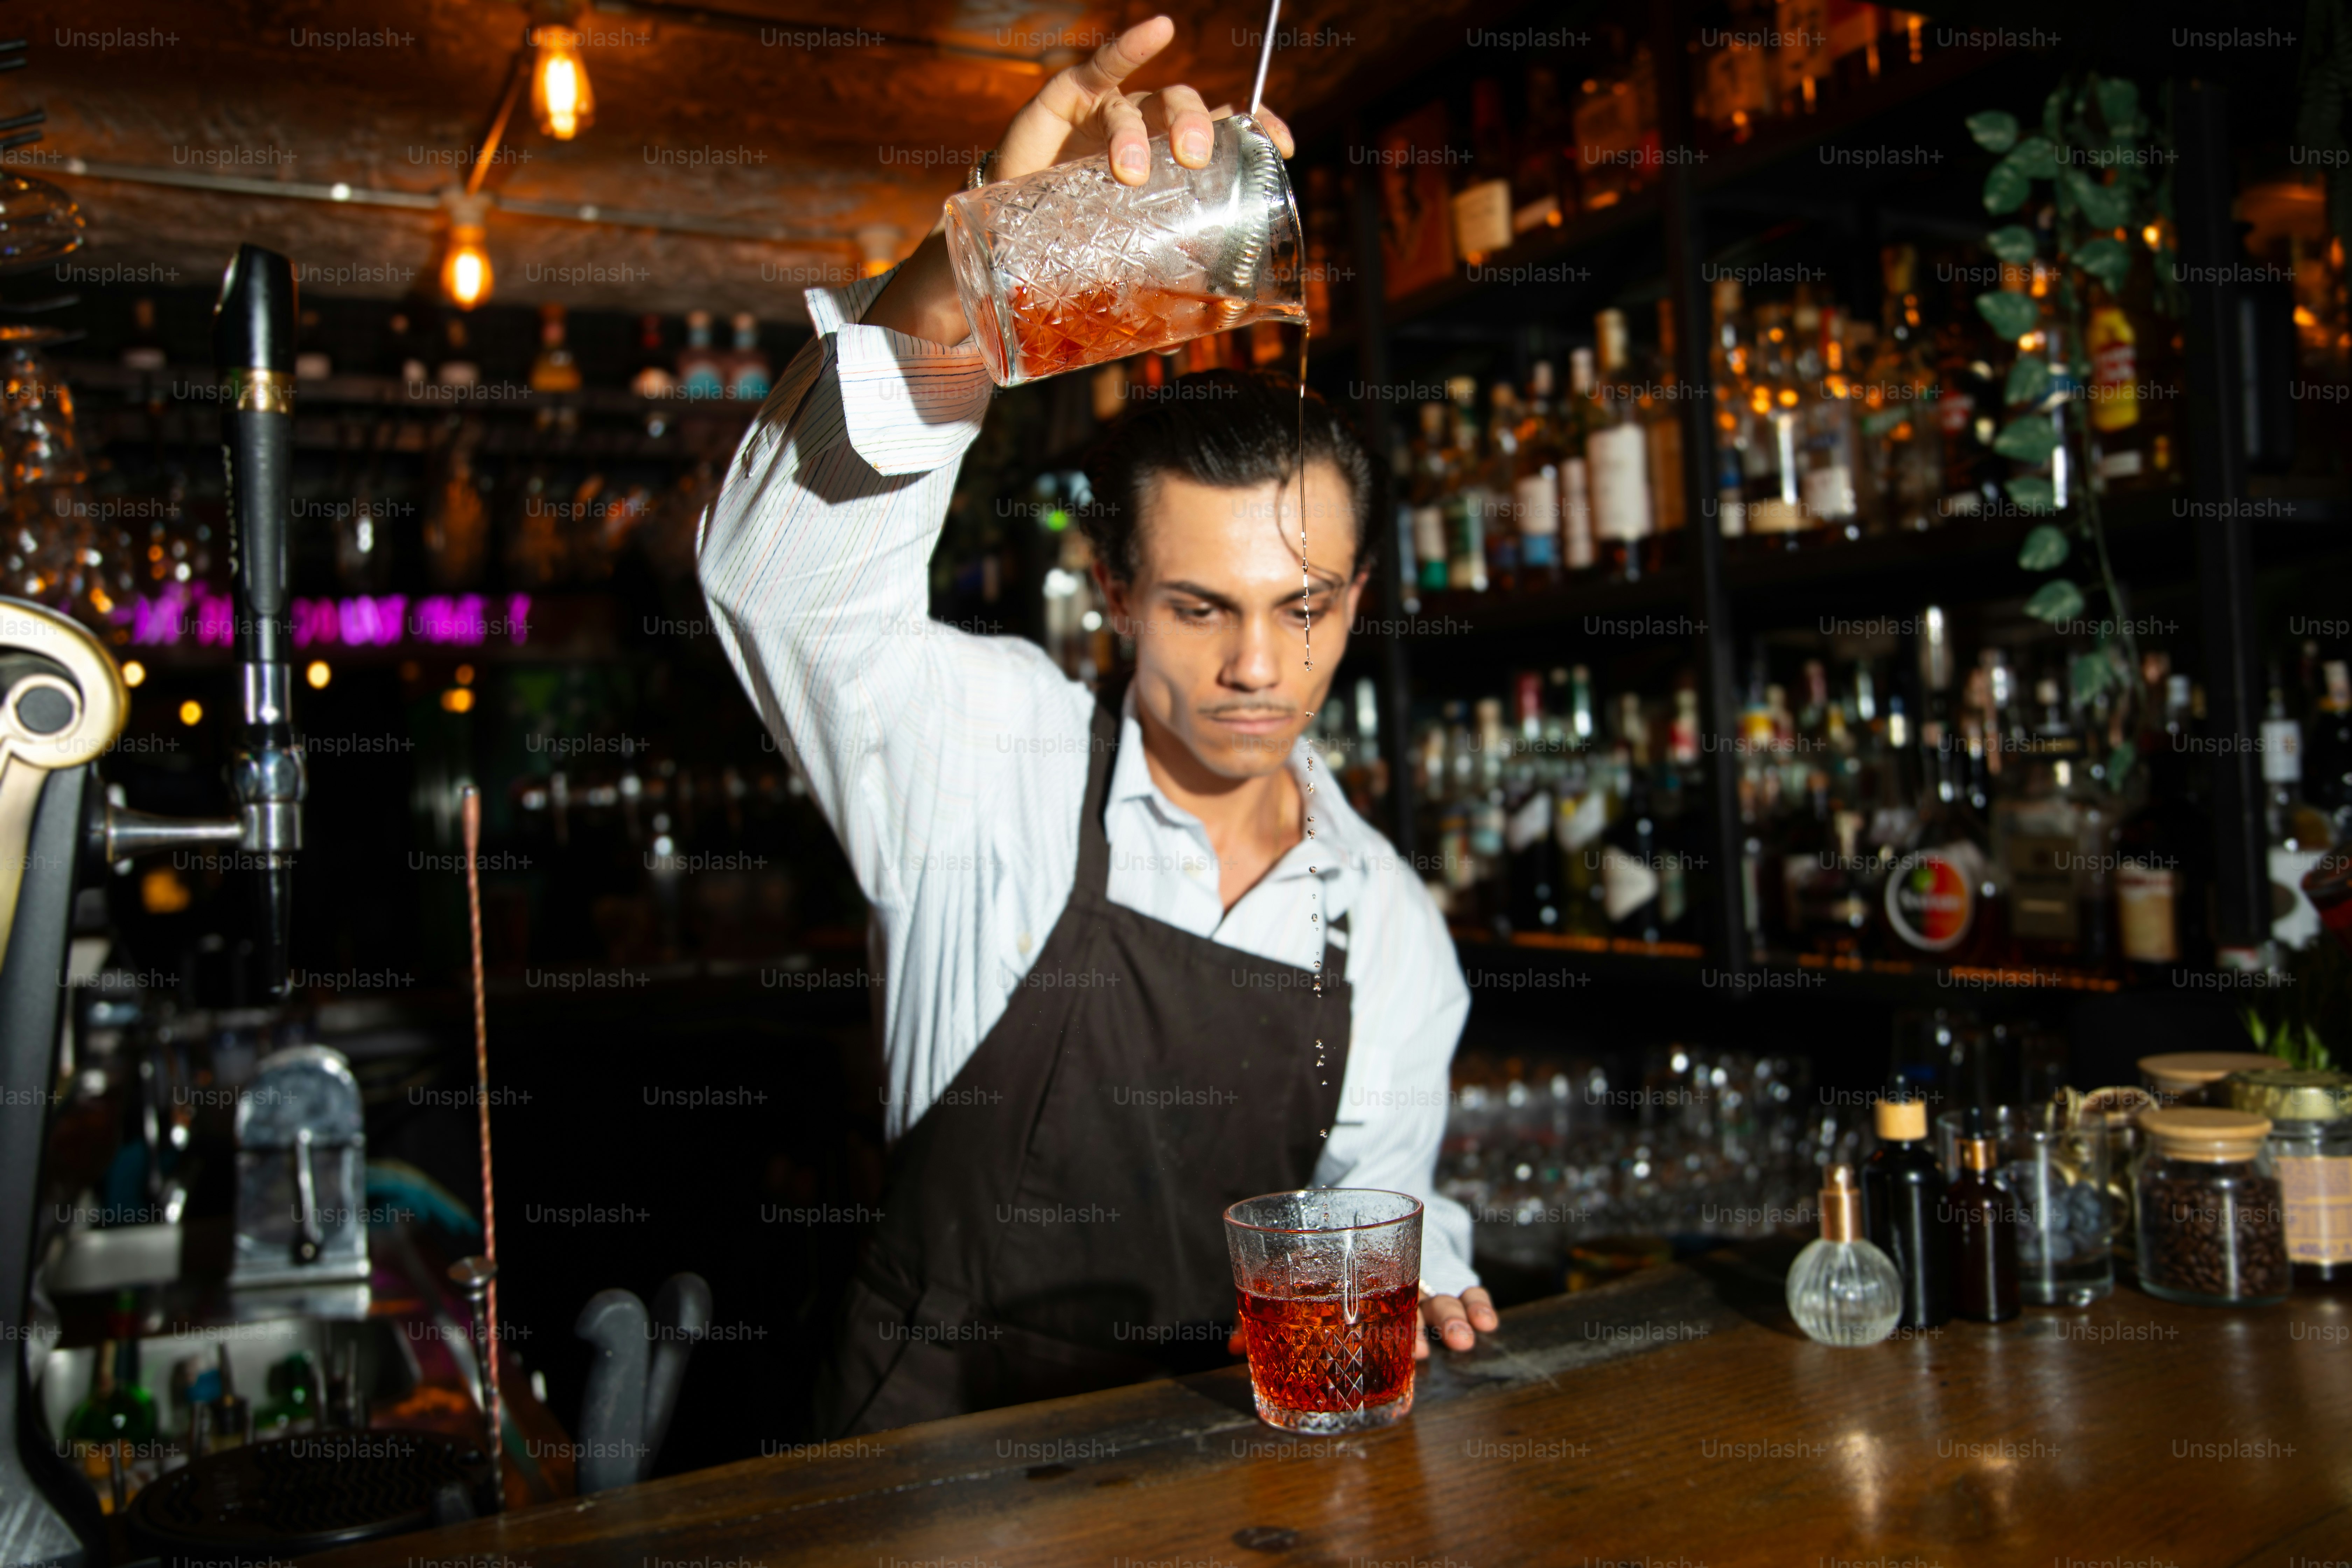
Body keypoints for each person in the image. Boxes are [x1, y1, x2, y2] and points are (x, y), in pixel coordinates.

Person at [698, 15, 1494, 1436]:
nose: (1260, 665)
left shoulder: (1384, 928)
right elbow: (780, 588)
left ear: (1360, 598)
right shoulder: (987, 754)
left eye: (1303, 608)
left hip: (1210, 1500)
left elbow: (1380, 1223)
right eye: (1201, 607)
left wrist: (1421, 1273)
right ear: (1115, 594)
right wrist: (965, 285)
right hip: (921, 1490)